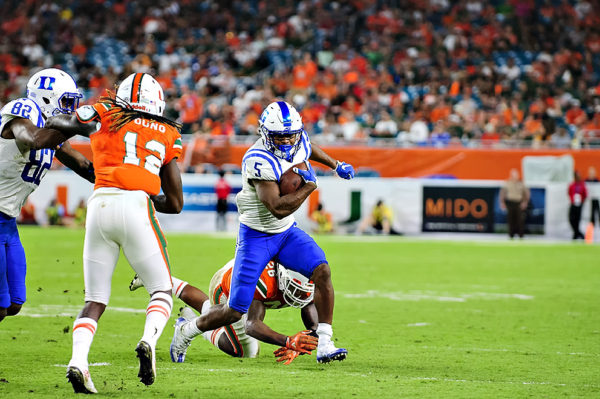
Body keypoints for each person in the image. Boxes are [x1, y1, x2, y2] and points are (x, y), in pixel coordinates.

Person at [170, 101, 355, 365]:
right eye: (280, 137)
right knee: (235, 311)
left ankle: (325, 341)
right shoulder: (258, 159)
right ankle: (187, 330)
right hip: (257, 235)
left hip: (286, 232)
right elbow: (277, 208)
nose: (287, 141)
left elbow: (308, 148)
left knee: (322, 270)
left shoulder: (298, 139)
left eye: (291, 135)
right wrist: (309, 186)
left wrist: (336, 165)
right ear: (265, 133)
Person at [45, 72, 184, 393]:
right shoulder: (166, 131)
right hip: (137, 204)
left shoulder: (107, 110)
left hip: (100, 203)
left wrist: (53, 129)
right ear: (157, 102)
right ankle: (148, 341)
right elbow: (175, 203)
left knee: (94, 298)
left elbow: (66, 122)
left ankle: (78, 361)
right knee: (161, 289)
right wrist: (144, 187)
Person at [0, 68, 94, 324]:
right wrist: (80, 124)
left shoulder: (52, 132)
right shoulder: (23, 110)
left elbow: (83, 166)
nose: (69, 108)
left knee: (14, 303)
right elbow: (34, 138)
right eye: (65, 101)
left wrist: (123, 180)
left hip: (7, 223)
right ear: (45, 98)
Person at [130, 259, 319, 364]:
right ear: (282, 276)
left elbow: (313, 327)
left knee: (210, 312)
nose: (298, 296)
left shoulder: (307, 277)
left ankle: (162, 281)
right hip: (229, 285)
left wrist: (300, 347)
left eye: (303, 293)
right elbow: (252, 325)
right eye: (294, 289)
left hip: (246, 269)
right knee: (245, 351)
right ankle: (186, 328)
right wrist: (287, 341)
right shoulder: (264, 283)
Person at [499, 168, 530, 239]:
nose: (515, 176)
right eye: (513, 175)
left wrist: (525, 202)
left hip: (519, 202)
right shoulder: (507, 183)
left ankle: (521, 235)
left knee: (520, 220)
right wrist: (502, 202)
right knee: (510, 219)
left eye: (516, 175)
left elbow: (526, 193)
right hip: (510, 202)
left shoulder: (521, 183)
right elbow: (502, 193)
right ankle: (511, 235)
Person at [568, 170, 587, 240]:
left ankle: (576, 235)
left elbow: (585, 194)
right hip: (573, 204)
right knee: (571, 219)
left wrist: (582, 202)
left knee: (577, 220)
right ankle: (579, 234)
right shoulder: (572, 185)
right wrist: (572, 200)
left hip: (579, 205)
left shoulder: (582, 185)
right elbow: (569, 193)